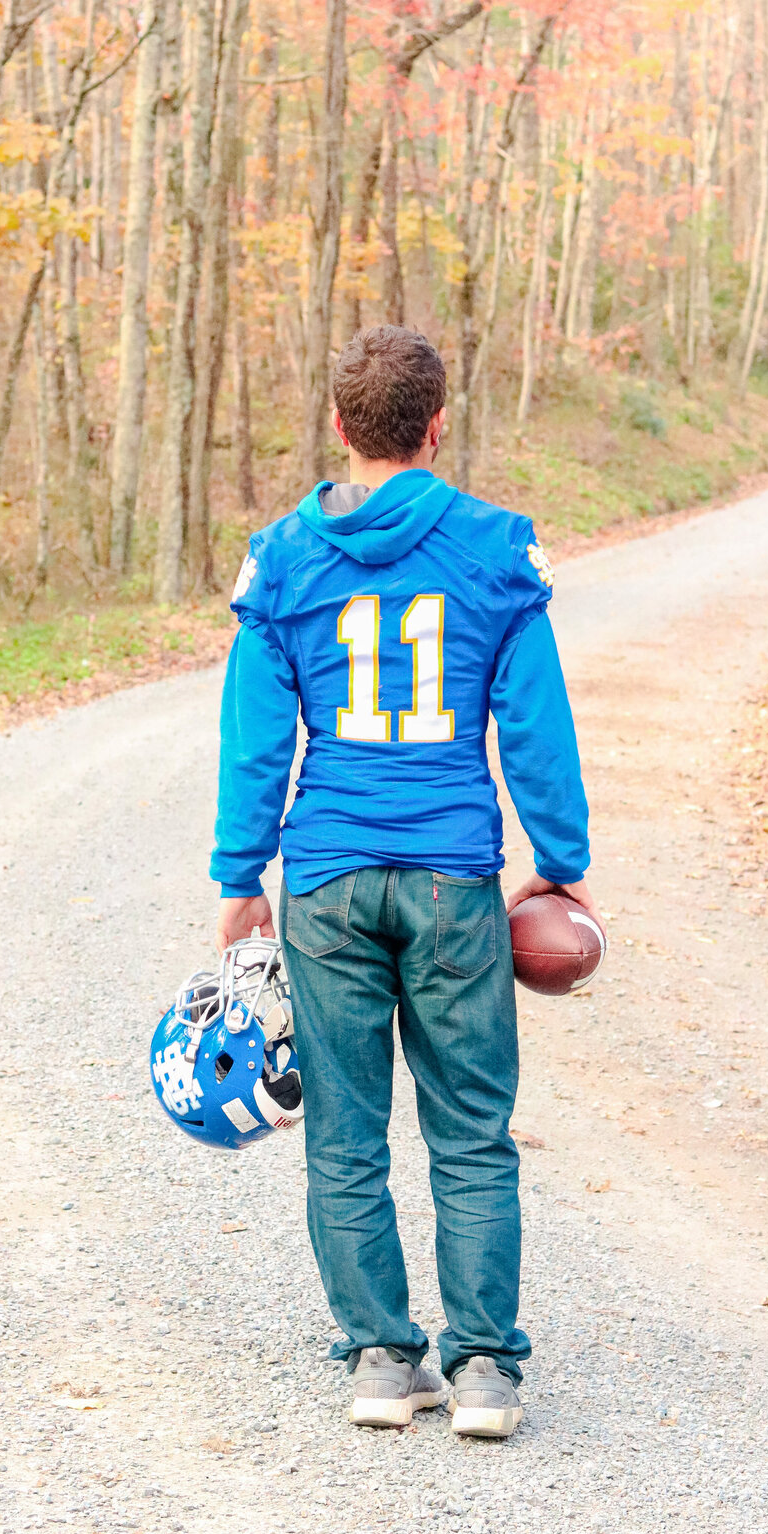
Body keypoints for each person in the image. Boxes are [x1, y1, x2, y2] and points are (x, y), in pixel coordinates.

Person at [209, 324, 599, 1436]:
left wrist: (242, 877)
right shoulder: (494, 549)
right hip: (451, 883)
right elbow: (534, 727)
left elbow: (253, 737)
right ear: (437, 426)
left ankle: (382, 1358)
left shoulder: (283, 555)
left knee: (344, 1130)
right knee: (470, 1128)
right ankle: (483, 1371)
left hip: (327, 880)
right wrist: (559, 867)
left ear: (340, 428)